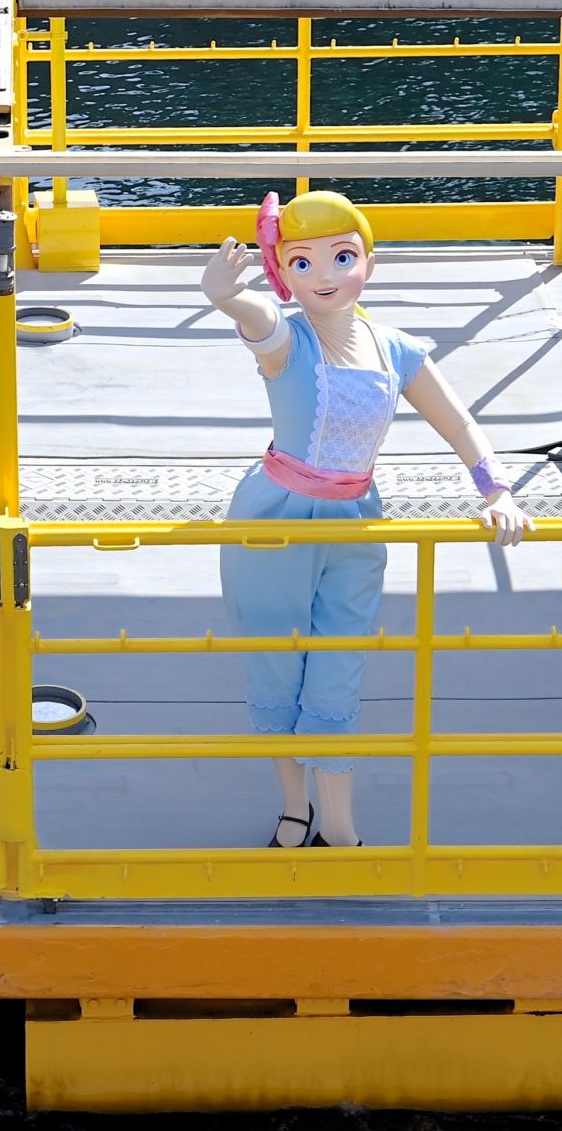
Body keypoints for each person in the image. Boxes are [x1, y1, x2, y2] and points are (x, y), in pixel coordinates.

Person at [201, 190, 532, 848]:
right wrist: (226, 297)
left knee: (338, 669)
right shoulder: (289, 341)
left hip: (357, 522)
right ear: (282, 272)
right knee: (275, 666)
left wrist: (497, 489)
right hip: (274, 523)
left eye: (342, 256)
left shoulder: (398, 349)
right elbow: (260, 322)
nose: (323, 275)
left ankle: (340, 827)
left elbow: (458, 423)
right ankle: (295, 810)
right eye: (301, 262)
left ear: (369, 263)